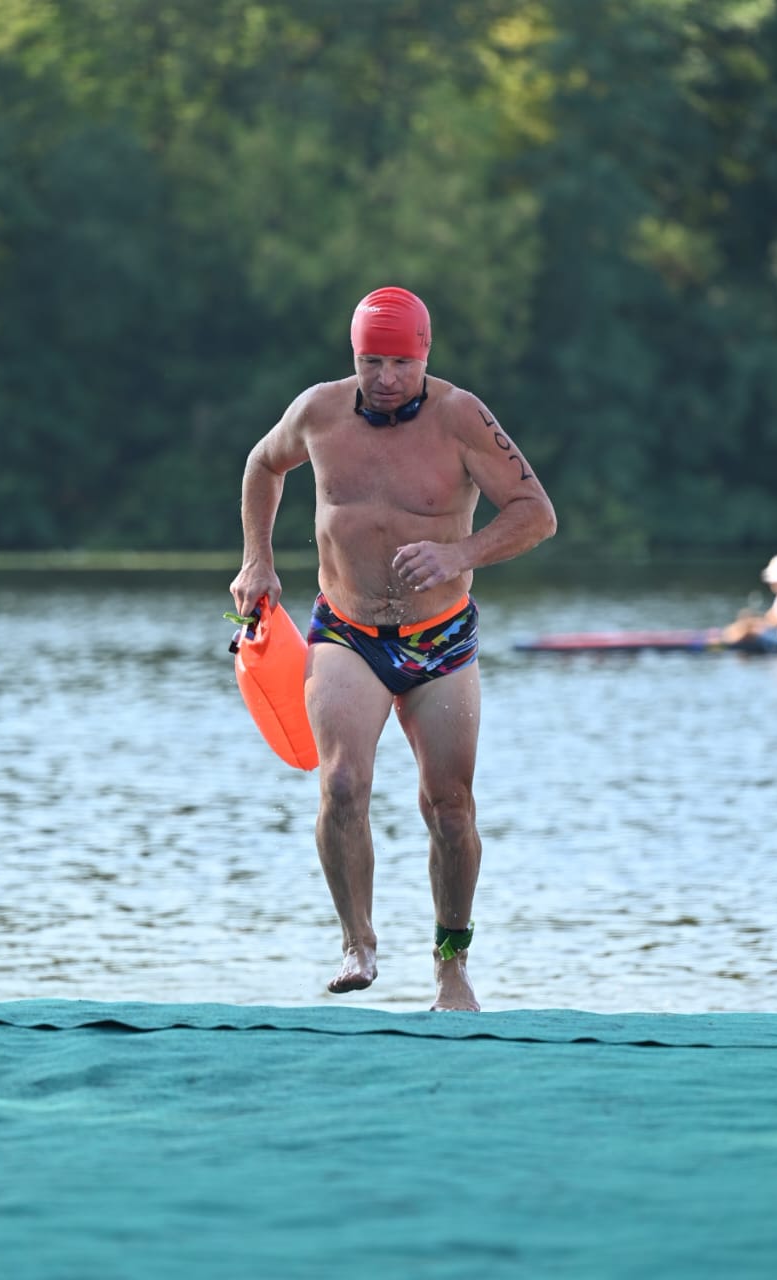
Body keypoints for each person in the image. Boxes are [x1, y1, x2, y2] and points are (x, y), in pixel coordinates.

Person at [229, 286, 557, 1011]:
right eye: (370, 362)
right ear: (353, 357)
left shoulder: (460, 417)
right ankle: (358, 942)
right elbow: (261, 465)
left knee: (449, 807)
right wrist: (257, 561)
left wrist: (459, 553)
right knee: (343, 784)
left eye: (400, 363)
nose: (384, 378)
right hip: (346, 630)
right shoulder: (317, 411)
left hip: (439, 640)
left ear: (424, 354)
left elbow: (537, 514)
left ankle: (451, 965)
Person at [722, 553, 777, 649]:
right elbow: (771, 617)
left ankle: (722, 643)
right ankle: (724, 638)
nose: (771, 583)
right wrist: (753, 620)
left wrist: (755, 624)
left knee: (748, 630)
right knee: (747, 624)